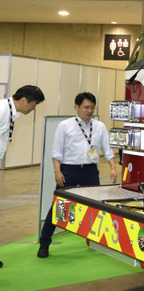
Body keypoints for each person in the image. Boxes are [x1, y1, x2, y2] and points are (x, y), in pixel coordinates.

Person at [37, 92, 117, 259]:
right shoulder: (65, 126)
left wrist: (112, 167)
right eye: (86, 107)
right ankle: (44, 244)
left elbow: (107, 150)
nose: (89, 111)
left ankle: (97, 240)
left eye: (92, 107)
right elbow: (56, 152)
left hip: (90, 171)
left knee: (96, 207)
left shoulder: (100, 126)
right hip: (69, 172)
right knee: (59, 207)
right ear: (76, 107)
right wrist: (57, 172)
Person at [0, 85, 45, 268]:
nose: (33, 109)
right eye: (34, 104)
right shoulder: (2, 110)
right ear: (24, 100)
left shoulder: (10, 112)